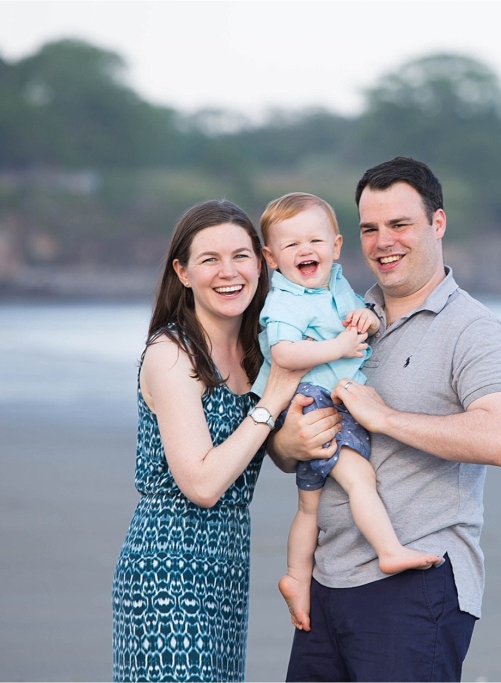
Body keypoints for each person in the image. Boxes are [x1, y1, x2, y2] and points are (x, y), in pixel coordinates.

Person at [269, 157, 501, 682]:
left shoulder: (474, 329)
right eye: (370, 228)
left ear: (437, 223)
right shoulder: (341, 313)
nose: (384, 241)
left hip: (416, 585)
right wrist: (289, 443)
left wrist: (385, 417)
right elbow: (289, 447)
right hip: (326, 582)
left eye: (400, 224)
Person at [111, 199, 309, 682]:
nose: (229, 272)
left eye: (241, 256)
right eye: (209, 259)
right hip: (166, 567)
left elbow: (275, 454)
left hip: (227, 564)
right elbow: (202, 484)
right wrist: (274, 398)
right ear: (182, 272)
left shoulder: (261, 348)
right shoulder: (172, 352)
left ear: (261, 263)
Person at [253, 192, 441, 632]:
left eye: (315, 241)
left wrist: (368, 321)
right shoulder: (284, 301)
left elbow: (359, 315)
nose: (306, 250)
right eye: (292, 244)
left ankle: (296, 577)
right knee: (360, 478)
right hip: (313, 398)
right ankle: (389, 549)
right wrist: (338, 346)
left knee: (309, 506)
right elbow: (282, 353)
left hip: (324, 396)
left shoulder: (335, 284)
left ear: (336, 246)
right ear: (271, 258)